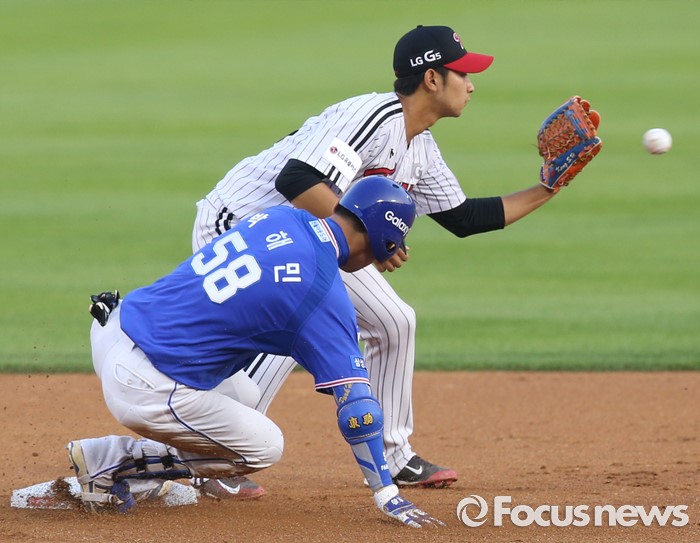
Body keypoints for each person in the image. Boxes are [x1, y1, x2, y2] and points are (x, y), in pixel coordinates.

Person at [191, 24, 566, 497]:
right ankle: (217, 461)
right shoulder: (374, 116)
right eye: (463, 74)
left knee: (394, 322)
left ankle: (395, 456)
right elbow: (297, 178)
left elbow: (465, 219)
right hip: (242, 223)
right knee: (296, 320)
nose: (471, 85)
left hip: (309, 239)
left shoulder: (420, 147)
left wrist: (549, 186)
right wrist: (368, 236)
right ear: (432, 78)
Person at [67, 176, 444, 527]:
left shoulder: (283, 217)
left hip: (115, 325)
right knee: (263, 447)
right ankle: (112, 463)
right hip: (141, 383)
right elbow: (358, 409)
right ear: (388, 246)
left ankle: (141, 471)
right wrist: (386, 492)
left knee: (244, 394)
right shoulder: (323, 297)